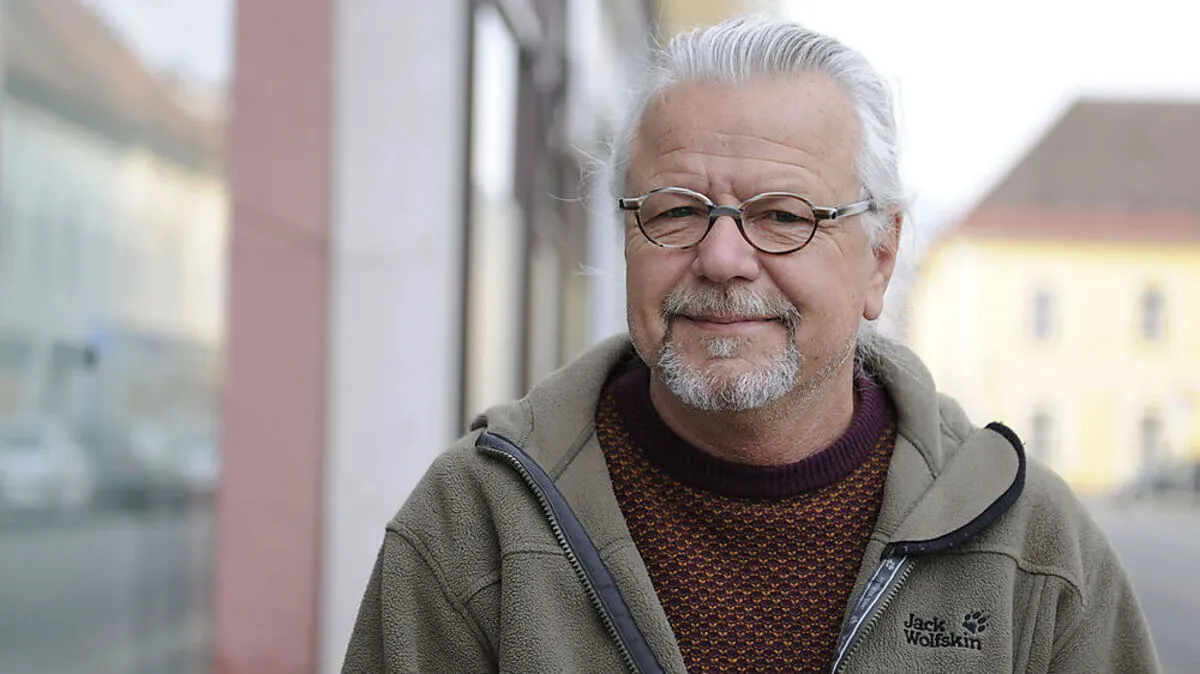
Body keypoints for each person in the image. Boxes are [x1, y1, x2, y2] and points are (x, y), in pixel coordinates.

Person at [342, 16, 1159, 674]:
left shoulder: (1032, 550)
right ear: (627, 235)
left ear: (880, 256)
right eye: (675, 210)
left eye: (783, 216)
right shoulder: (473, 525)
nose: (723, 258)